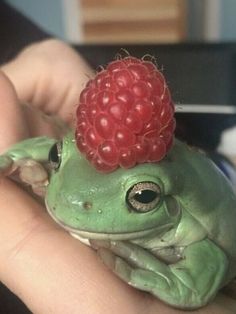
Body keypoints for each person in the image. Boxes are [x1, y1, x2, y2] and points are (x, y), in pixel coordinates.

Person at [0, 39, 236, 314]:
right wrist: (15, 157)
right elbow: (56, 144)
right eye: (57, 158)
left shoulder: (191, 222)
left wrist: (182, 285)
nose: (76, 200)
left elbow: (215, 259)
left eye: (142, 196)